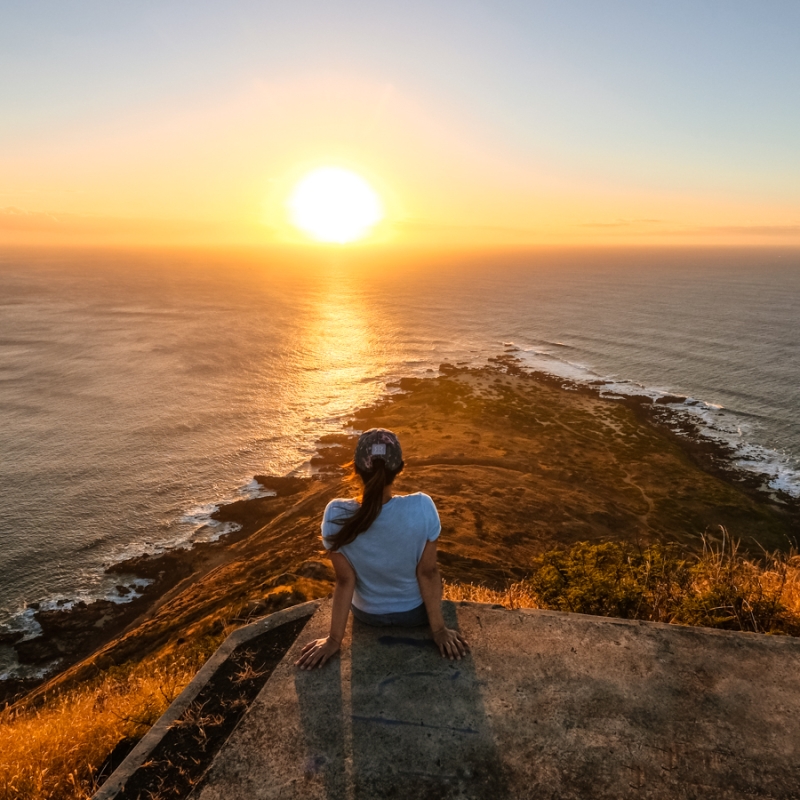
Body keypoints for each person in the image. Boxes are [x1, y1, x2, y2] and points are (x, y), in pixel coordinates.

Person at [296, 428, 469, 670]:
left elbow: (346, 581)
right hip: (415, 614)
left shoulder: (335, 513)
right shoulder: (422, 506)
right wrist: (439, 630)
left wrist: (334, 639)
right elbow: (427, 573)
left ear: (356, 468)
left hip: (368, 616)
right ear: (400, 467)